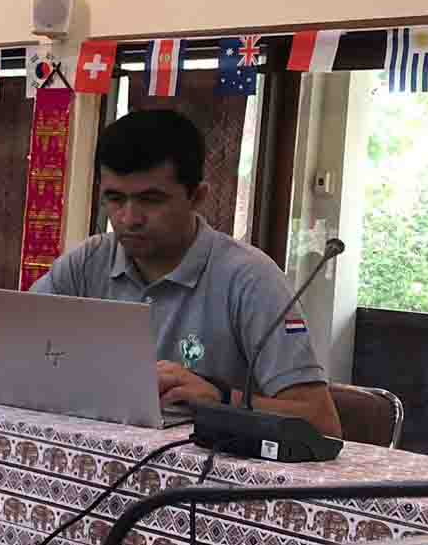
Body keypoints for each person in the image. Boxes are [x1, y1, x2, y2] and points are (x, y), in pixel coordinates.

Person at [32, 108, 341, 436]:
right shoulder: (88, 262)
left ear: (197, 197)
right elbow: (17, 354)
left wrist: (222, 398)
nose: (129, 218)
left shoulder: (251, 279)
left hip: (204, 466)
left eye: (151, 200)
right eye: (115, 199)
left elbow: (322, 422)